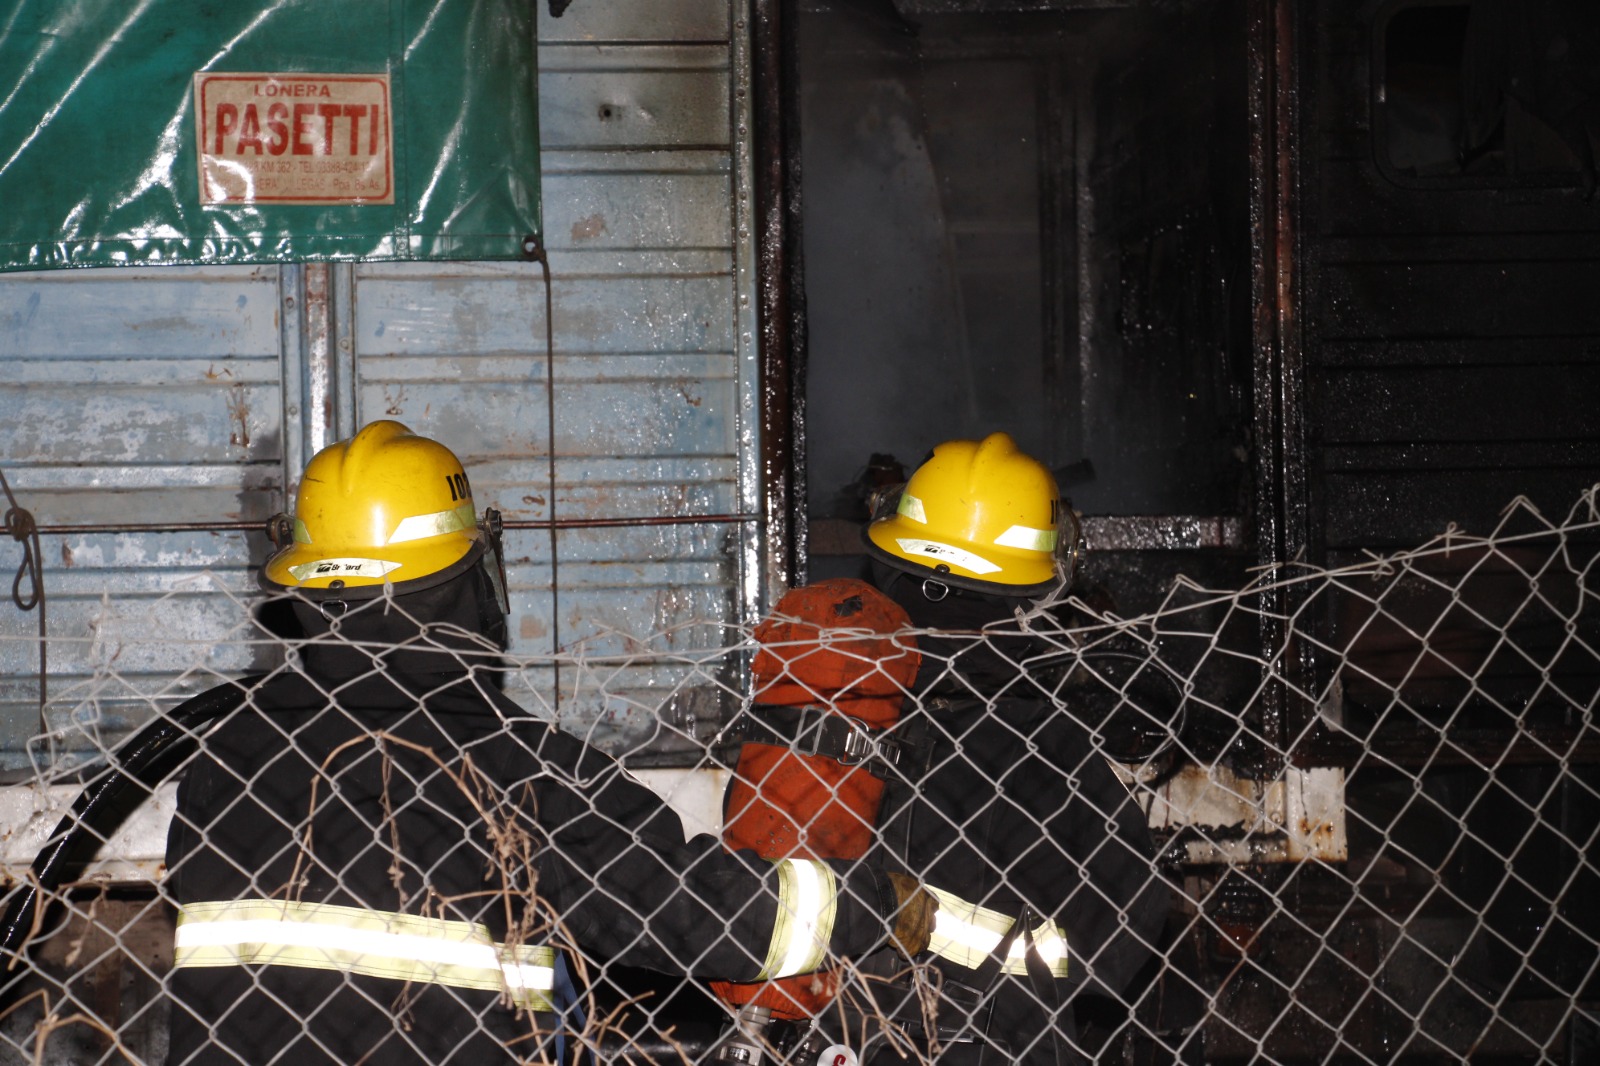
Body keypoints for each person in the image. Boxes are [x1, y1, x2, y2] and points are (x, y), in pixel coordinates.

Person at [163, 420, 934, 1065]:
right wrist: (877, 903)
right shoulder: (515, 767)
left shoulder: (225, 757)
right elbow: (706, 914)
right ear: (468, 580)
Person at [851, 431, 1198, 1064]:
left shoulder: (832, 705)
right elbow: (1119, 945)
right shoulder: (1046, 747)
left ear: (895, 559)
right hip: (1000, 1045)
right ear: (1035, 594)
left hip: (843, 1034)